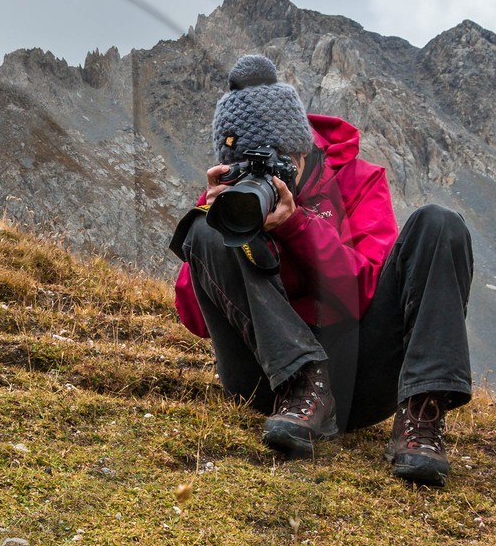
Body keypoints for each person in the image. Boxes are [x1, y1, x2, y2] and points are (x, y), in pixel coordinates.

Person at [169, 54, 474, 486]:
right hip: (269, 382)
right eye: (251, 165)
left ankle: (421, 419)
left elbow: (365, 288)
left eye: (276, 163)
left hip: (359, 378)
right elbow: (196, 321)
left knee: (439, 223)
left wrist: (297, 227)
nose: (268, 178)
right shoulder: (231, 201)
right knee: (200, 229)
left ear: (301, 147)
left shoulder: (359, 180)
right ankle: (302, 381)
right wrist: (219, 215)